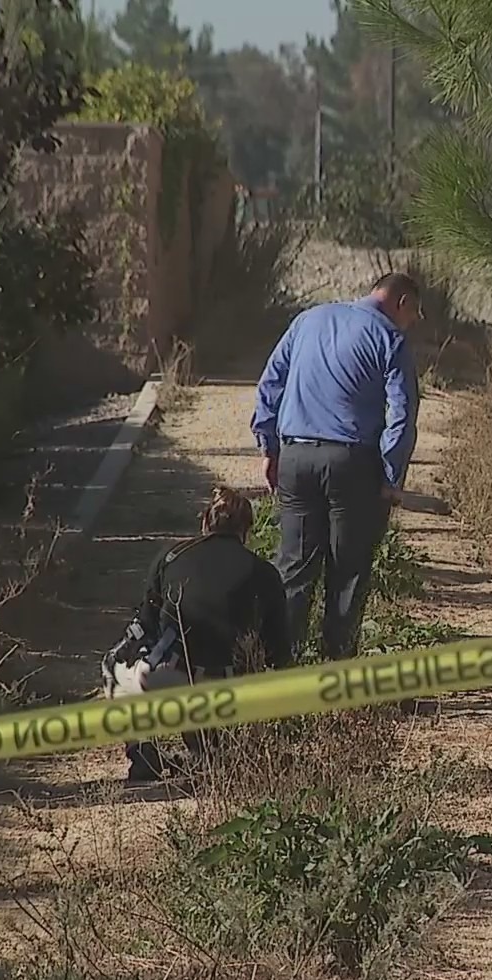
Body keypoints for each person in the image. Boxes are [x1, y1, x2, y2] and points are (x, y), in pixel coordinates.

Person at [250, 272, 422, 660]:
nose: (412, 323)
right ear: (401, 302)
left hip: (296, 457)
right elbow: (402, 413)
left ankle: (276, 667)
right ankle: (335, 671)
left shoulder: (308, 319)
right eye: (415, 313)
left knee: (293, 566)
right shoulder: (389, 338)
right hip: (351, 464)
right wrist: (393, 476)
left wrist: (270, 447)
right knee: (347, 570)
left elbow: (271, 383)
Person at [106, 485, 289, 782]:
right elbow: (278, 650)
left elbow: (145, 626)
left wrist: (130, 657)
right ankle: (209, 752)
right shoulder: (264, 573)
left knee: (116, 666)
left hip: (175, 673)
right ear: (246, 530)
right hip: (231, 682)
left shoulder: (171, 556)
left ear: (205, 522)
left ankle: (143, 754)